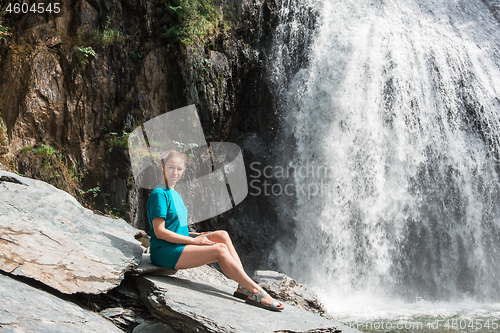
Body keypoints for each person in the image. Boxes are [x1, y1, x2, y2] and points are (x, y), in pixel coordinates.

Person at [146, 150, 283, 311]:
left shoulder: (174, 193)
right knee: (219, 250)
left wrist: (196, 235)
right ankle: (255, 291)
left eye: (179, 169)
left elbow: (176, 227)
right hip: (164, 251)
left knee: (222, 235)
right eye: (171, 167)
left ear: (184, 170)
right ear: (163, 167)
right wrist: (194, 241)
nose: (175, 172)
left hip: (177, 244)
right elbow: (160, 232)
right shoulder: (159, 194)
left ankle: (243, 286)